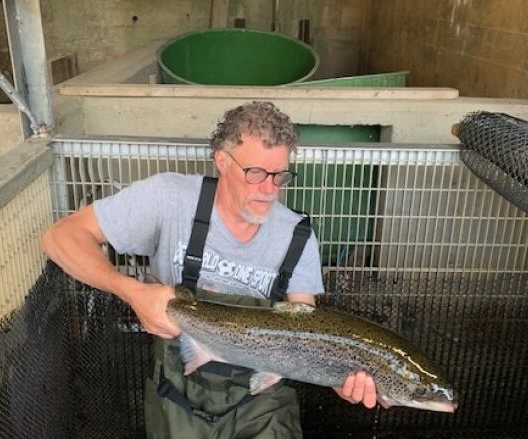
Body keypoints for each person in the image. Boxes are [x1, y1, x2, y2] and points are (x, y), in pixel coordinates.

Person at [42, 101, 377, 438]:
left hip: (260, 401)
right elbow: (61, 237)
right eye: (256, 173)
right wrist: (133, 291)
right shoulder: (168, 199)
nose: (269, 190)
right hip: (178, 392)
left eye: (279, 175)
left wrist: (340, 377)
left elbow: (304, 334)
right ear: (221, 160)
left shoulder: (298, 237)